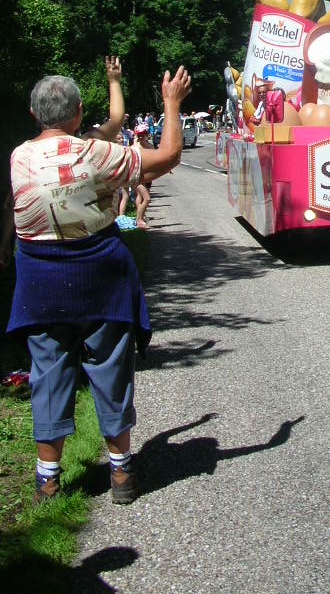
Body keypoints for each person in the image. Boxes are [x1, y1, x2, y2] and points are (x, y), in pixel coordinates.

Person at [6, 65, 191, 504]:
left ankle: (47, 479)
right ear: (78, 112)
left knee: (47, 373)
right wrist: (171, 103)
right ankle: (122, 473)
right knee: (109, 365)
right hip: (99, 275)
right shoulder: (93, 154)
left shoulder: (17, 157)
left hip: (39, 282)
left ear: (34, 113)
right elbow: (166, 158)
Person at [132, 123, 154, 230]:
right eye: (139, 135)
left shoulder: (150, 146)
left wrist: (167, 169)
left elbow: (156, 159)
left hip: (148, 175)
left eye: (143, 135)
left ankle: (141, 216)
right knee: (144, 197)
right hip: (137, 175)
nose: (141, 137)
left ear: (146, 135)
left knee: (144, 196)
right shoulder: (135, 147)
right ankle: (139, 219)